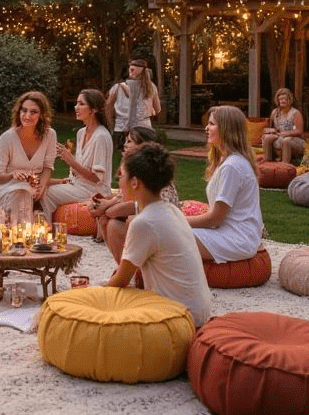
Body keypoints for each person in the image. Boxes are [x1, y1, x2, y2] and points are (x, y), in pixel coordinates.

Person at [106, 143, 211, 328]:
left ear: (135, 182)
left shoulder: (144, 223)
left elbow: (120, 282)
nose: (118, 181)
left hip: (180, 320)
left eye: (121, 175)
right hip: (199, 312)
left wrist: (91, 296)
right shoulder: (172, 210)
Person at [90, 126, 180, 264]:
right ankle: (123, 267)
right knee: (106, 220)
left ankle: (130, 271)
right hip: (148, 222)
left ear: (143, 146)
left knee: (123, 221)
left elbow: (130, 205)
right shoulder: (131, 169)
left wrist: (106, 208)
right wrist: (104, 205)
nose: (125, 145)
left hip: (161, 230)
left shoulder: (150, 175)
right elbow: (121, 197)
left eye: (130, 141)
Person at [186, 105, 263, 263]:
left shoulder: (232, 166)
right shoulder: (226, 161)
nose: (206, 128)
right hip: (226, 232)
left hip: (236, 239)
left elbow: (216, 218)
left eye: (212, 124)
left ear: (226, 129)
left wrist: (179, 221)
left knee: (168, 233)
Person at [0, 91, 57, 224]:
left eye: (33, 112)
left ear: (42, 115)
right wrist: (12, 174)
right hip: (3, 187)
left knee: (26, 193)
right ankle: (20, 231)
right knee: (21, 193)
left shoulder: (50, 135)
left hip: (31, 186)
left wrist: (42, 186)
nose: (27, 116)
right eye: (24, 110)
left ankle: (14, 228)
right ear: (19, 112)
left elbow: (47, 166)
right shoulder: (7, 138)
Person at [41, 89, 113, 222]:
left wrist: (71, 161)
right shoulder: (81, 133)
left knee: (47, 194)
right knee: (41, 187)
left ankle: (47, 230)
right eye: (76, 103)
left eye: (81, 104)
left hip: (93, 190)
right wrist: (65, 157)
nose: (76, 107)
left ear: (94, 109)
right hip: (77, 185)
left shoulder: (101, 137)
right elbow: (79, 169)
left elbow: (96, 178)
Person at [106, 59, 161, 145]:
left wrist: (111, 124)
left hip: (122, 128)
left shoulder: (117, 88)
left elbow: (108, 106)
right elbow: (157, 109)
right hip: (144, 129)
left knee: (126, 155)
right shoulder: (151, 87)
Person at [261, 88, 305, 165]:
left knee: (286, 140)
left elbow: (299, 131)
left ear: (290, 100)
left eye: (285, 99)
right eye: (280, 99)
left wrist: (285, 134)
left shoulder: (295, 113)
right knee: (267, 138)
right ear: (277, 100)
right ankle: (268, 163)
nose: (282, 101)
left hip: (296, 139)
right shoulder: (275, 112)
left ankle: (285, 166)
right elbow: (274, 128)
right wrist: (270, 131)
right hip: (280, 136)